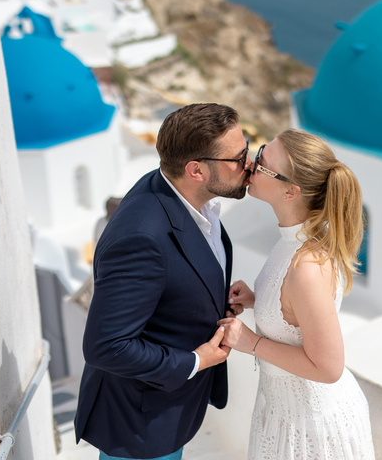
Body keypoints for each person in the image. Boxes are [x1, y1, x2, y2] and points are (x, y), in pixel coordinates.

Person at [74, 103, 252, 460]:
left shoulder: (181, 194)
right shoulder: (141, 237)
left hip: (169, 411)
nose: (249, 163)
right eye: (239, 157)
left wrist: (213, 299)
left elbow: (172, 278)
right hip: (142, 426)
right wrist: (194, 362)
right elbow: (105, 346)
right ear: (196, 170)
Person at [218, 129, 375, 459]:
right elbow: (294, 315)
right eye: (260, 151)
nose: (251, 162)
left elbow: (329, 367)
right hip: (284, 414)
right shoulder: (292, 241)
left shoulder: (307, 266)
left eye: (263, 162)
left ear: (291, 191)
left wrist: (250, 343)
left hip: (312, 428)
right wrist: (258, 299)